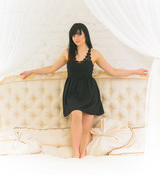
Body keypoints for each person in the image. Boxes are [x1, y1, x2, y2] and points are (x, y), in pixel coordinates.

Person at [20, 22, 149, 159]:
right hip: (72, 92)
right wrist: (31, 71)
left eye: (79, 34)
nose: (76, 38)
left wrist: (135, 71)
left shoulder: (95, 54)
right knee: (76, 115)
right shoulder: (67, 53)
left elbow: (113, 71)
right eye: (74, 35)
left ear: (86, 35)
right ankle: (76, 153)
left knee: (87, 126)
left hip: (89, 91)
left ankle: (83, 154)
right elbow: (51, 68)